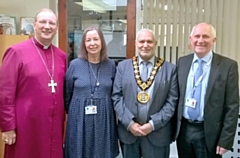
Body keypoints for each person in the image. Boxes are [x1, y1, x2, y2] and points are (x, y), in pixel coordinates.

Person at [0, 8, 66, 158]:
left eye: (52, 23)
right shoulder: (16, 52)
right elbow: (5, 92)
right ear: (35, 25)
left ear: (56, 28)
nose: (47, 26)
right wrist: (7, 126)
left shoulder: (61, 56)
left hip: (53, 125)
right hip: (25, 126)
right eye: (43, 22)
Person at [175, 22, 239, 158]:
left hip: (210, 133)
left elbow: (232, 106)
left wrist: (225, 139)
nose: (200, 40)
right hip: (184, 130)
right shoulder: (182, 62)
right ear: (191, 39)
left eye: (205, 36)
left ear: (213, 40)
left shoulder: (228, 66)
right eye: (197, 36)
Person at [112, 28, 178, 158]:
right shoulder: (122, 67)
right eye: (142, 41)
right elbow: (117, 97)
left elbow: (172, 102)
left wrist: (152, 125)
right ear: (136, 43)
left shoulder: (170, 69)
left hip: (157, 134)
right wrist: (129, 123)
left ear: (155, 43)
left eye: (149, 41)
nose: (145, 45)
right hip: (129, 133)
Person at [64, 26, 119, 158]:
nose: (92, 43)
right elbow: (67, 94)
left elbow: (115, 93)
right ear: (84, 44)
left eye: (96, 39)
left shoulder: (111, 65)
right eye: (88, 40)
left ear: (102, 42)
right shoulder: (75, 65)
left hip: (104, 118)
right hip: (79, 118)